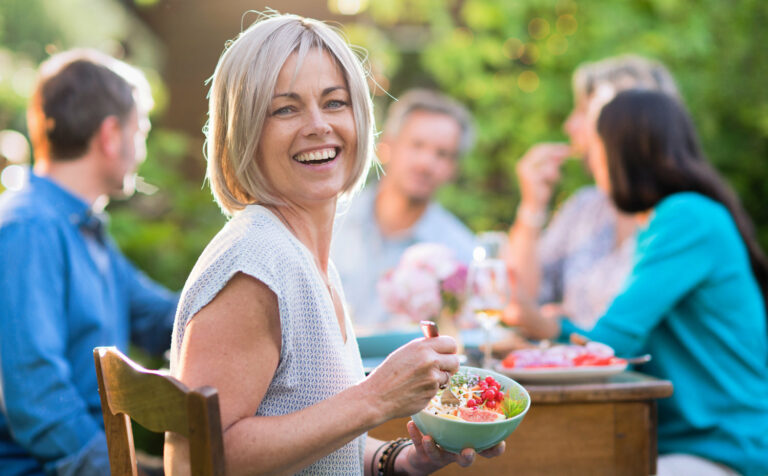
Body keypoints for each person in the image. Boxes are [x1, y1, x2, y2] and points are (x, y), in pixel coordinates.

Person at [166, 13, 503, 476]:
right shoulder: (255, 267)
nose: (318, 125)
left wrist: (401, 460)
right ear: (244, 130)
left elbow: (312, 444)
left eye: (335, 102)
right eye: (286, 108)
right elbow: (199, 461)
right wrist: (376, 398)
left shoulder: (302, 255)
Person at [514, 89, 768, 476]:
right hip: (684, 443)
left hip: (725, 448)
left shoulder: (686, 217)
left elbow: (611, 346)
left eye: (596, 148)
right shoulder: (677, 219)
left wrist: (537, 322)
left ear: (620, 152)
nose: (592, 163)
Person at [0, 49, 178, 475]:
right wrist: (126, 470)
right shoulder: (30, 229)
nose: (142, 149)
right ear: (111, 134)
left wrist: (259, 311)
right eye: (142, 130)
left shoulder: (80, 227)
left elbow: (160, 316)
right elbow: (37, 398)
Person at [506, 55, 680, 329]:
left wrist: (553, 326)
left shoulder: (680, 218)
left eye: (583, 112)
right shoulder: (583, 207)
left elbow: (627, 333)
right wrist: (532, 206)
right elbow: (519, 301)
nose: (569, 126)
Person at [332, 89, 476, 332]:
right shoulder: (330, 222)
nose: (426, 163)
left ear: (453, 169)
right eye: (417, 145)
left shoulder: (461, 252)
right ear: (386, 146)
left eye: (442, 154)